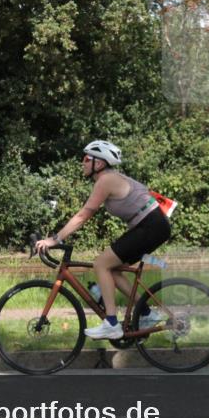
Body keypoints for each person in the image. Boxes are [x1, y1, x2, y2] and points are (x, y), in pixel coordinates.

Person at [34, 140, 171, 339]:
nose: (83, 163)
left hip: (151, 226)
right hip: (152, 225)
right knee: (111, 268)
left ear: (99, 164)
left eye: (86, 159)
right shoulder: (110, 179)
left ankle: (112, 323)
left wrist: (54, 240)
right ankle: (146, 313)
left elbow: (83, 215)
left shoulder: (105, 180)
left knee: (101, 264)